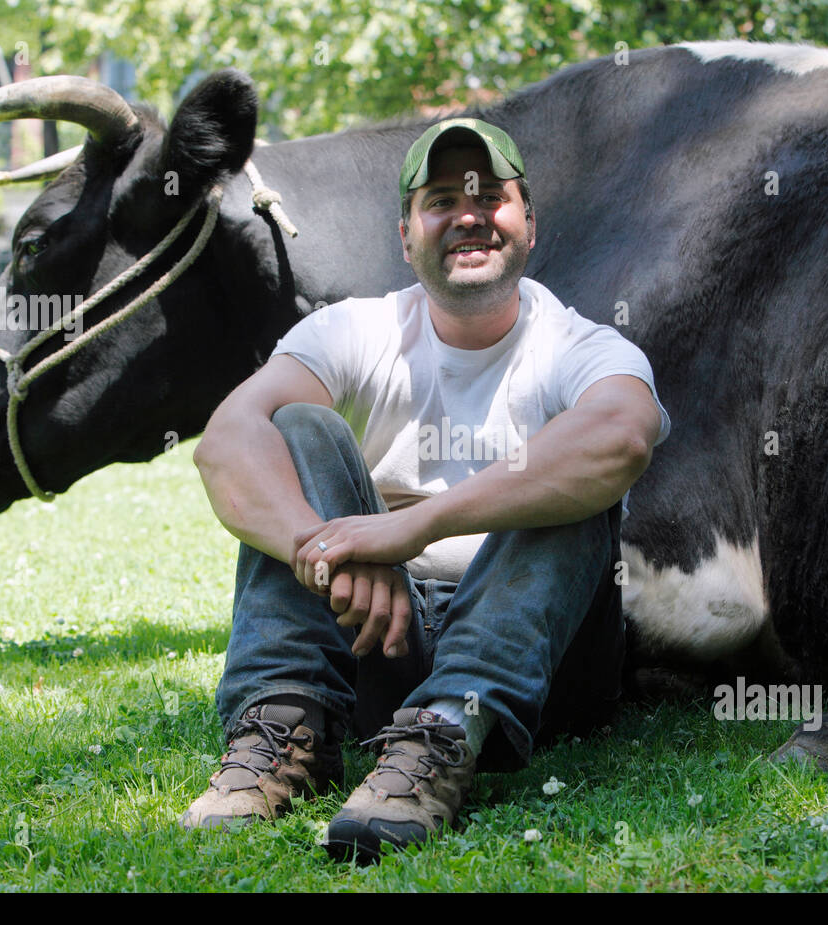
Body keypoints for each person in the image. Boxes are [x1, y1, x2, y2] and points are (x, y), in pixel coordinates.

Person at [181, 117, 671, 862]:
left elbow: (622, 437)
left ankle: (442, 735)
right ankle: (281, 731)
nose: (469, 214)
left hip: (545, 663)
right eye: (441, 199)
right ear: (406, 234)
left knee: (568, 468)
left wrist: (413, 529)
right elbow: (227, 440)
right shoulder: (354, 330)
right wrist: (327, 551)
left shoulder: (583, 345)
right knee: (300, 426)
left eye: (491, 197)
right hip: (380, 629)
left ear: (529, 225)